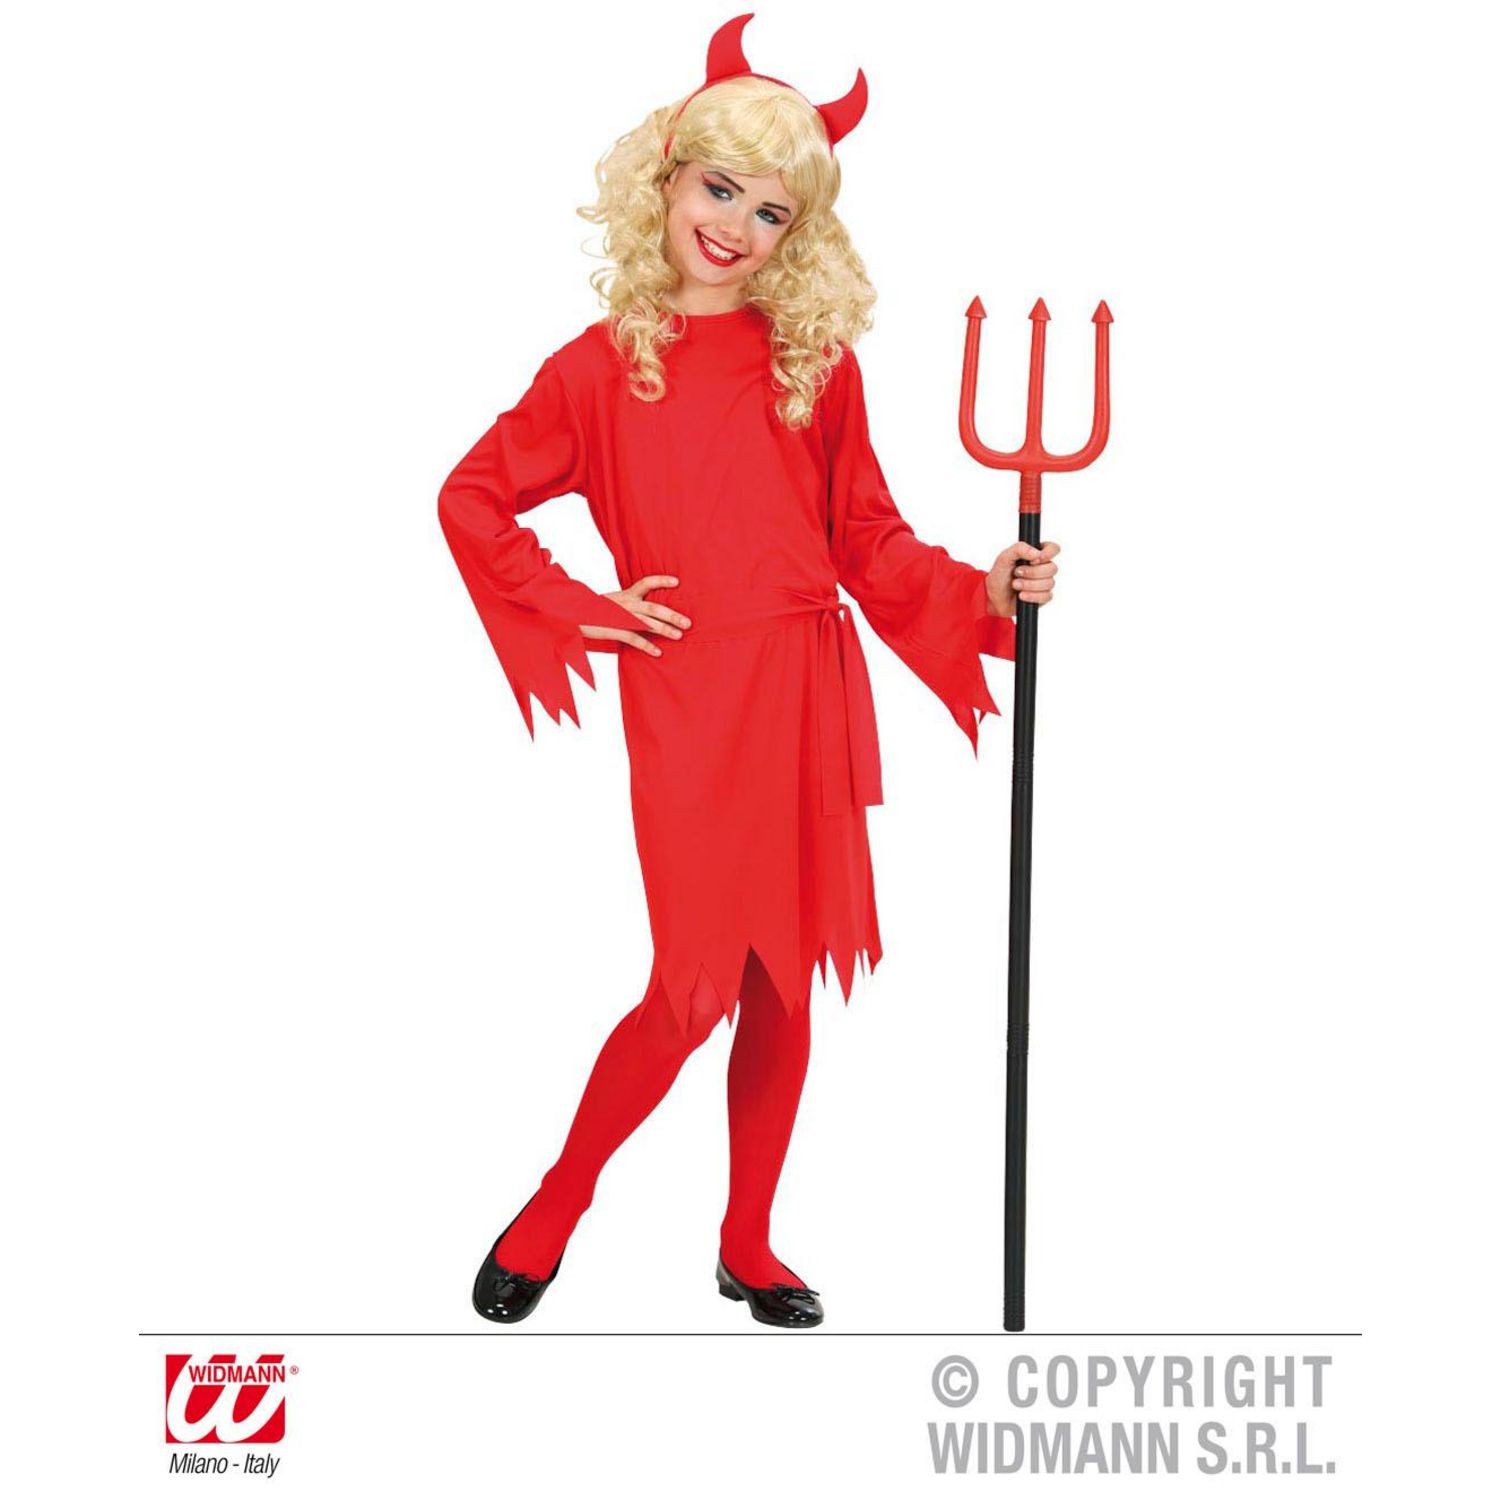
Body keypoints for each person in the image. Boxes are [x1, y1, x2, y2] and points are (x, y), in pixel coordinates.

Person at [439, 14, 1060, 1330]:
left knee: (782, 976)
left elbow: (865, 538)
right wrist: (582, 609)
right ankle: (555, 1205)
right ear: (665, 179)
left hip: (802, 688)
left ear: (799, 233)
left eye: (770, 211)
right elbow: (473, 497)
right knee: (692, 987)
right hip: (691, 694)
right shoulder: (598, 369)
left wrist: (983, 593)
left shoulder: (811, 364)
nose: (734, 227)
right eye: (719, 189)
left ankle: (748, 1240)